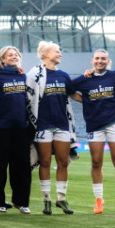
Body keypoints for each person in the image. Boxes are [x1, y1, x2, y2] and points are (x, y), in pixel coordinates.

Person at [70, 50, 115, 214]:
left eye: (103, 58)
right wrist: (83, 100)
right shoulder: (84, 79)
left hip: (114, 123)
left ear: (108, 61)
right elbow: (69, 89)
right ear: (92, 60)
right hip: (94, 126)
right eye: (97, 58)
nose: (100, 61)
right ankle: (98, 199)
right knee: (96, 162)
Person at [27, 41, 75, 215]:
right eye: (57, 51)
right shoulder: (34, 74)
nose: (60, 54)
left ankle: (61, 198)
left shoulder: (63, 75)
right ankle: (46, 198)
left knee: (63, 162)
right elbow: (27, 96)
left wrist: (96, 99)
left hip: (62, 125)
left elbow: (74, 93)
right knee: (45, 162)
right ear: (46, 54)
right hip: (43, 126)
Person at [0, 46, 32, 214]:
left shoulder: (23, 76)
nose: (14, 57)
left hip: (21, 127)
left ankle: (21, 202)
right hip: (0, 127)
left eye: (16, 55)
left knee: (22, 167)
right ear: (3, 59)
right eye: (10, 55)